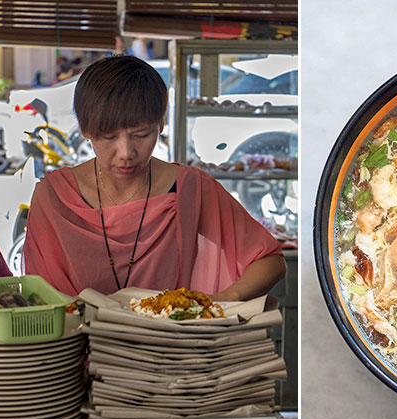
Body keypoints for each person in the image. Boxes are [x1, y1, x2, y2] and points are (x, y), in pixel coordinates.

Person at [23, 55, 286, 300]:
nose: (126, 153)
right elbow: (42, 296)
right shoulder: (54, 197)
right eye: (109, 137)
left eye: (141, 134)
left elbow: (269, 261)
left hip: (169, 345)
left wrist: (215, 304)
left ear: (161, 124)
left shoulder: (189, 188)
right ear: (85, 130)